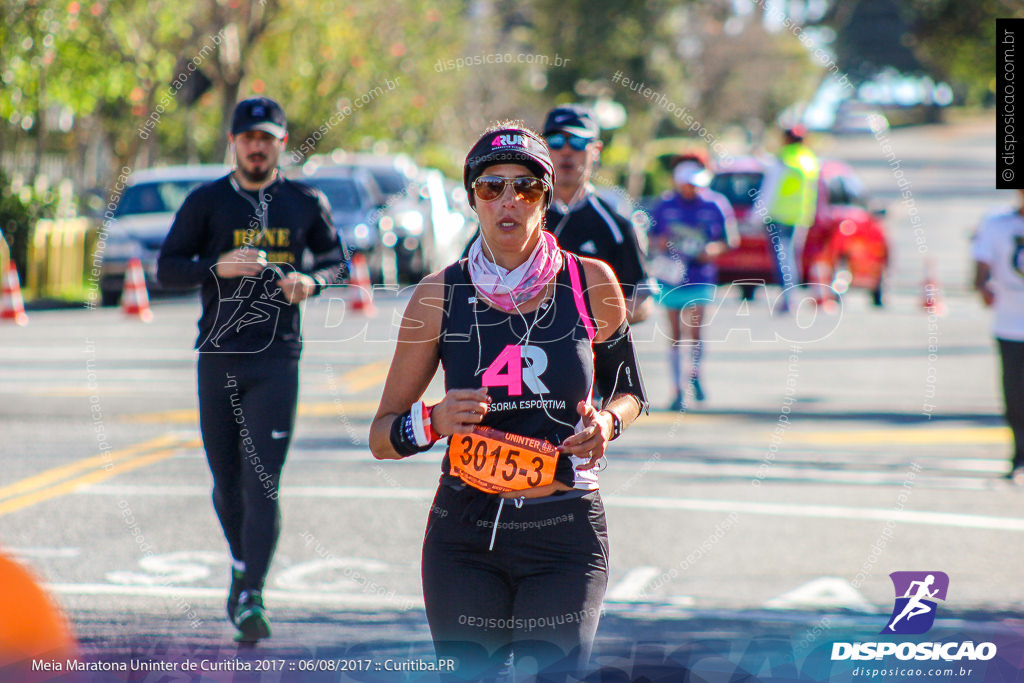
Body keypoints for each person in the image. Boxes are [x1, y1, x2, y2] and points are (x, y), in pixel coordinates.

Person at [370, 123, 647, 681]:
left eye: (525, 187)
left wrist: (608, 423)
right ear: (473, 197)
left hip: (564, 532)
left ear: (546, 199)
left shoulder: (591, 281)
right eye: (492, 186)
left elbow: (631, 393)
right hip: (465, 535)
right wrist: (434, 421)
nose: (508, 201)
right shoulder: (438, 294)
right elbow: (382, 435)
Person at [157, 96, 347, 641]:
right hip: (218, 356)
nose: (257, 147)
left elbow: (338, 261)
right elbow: (167, 268)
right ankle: (242, 566)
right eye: (248, 138)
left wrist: (313, 282)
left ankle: (252, 595)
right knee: (227, 483)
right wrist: (217, 265)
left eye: (267, 137)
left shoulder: (305, 203)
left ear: (282, 143)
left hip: (276, 358)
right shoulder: (207, 202)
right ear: (234, 143)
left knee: (263, 483)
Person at [542, 104, 652, 324]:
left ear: (596, 150)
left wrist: (582, 324)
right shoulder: (515, 214)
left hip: (591, 355)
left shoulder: (616, 227)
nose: (566, 151)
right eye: (555, 141)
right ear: (543, 147)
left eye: (577, 142)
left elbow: (641, 302)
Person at [648, 156, 736, 410]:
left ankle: (694, 375)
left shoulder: (715, 204)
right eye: (687, 184)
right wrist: (660, 243)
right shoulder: (664, 204)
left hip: (700, 276)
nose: (692, 189)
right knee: (674, 333)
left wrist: (711, 250)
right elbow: (650, 238)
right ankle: (676, 389)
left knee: (695, 330)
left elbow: (730, 240)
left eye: (696, 184)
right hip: (670, 277)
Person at [972, 188, 1024, 481]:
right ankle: (1019, 454)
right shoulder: (996, 223)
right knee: (1015, 396)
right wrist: (981, 287)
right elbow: (981, 263)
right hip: (1010, 324)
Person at [757, 124, 819, 312]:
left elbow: (769, 190)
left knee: (782, 259)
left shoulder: (783, 159)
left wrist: (757, 215)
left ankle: (787, 299)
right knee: (792, 258)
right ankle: (791, 296)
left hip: (778, 215)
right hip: (799, 217)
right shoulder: (809, 160)